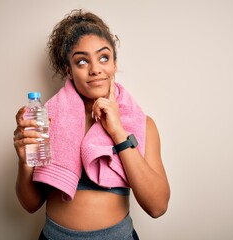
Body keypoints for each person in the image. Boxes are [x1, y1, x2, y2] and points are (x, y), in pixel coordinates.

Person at [13, 9, 170, 240]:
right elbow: (31, 204)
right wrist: (25, 161)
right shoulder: (47, 121)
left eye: (104, 57)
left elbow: (157, 206)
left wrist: (118, 132)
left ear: (114, 64)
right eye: (82, 61)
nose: (95, 69)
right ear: (69, 70)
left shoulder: (142, 125)